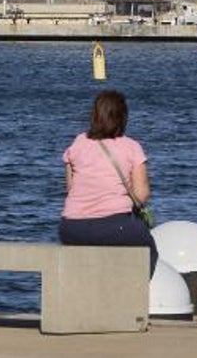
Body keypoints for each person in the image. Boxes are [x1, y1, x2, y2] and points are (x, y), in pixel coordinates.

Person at [59, 88, 157, 274]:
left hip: (71, 228)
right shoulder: (131, 147)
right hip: (114, 226)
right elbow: (142, 195)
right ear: (123, 117)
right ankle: (132, 295)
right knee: (149, 249)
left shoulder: (78, 142)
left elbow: (71, 188)